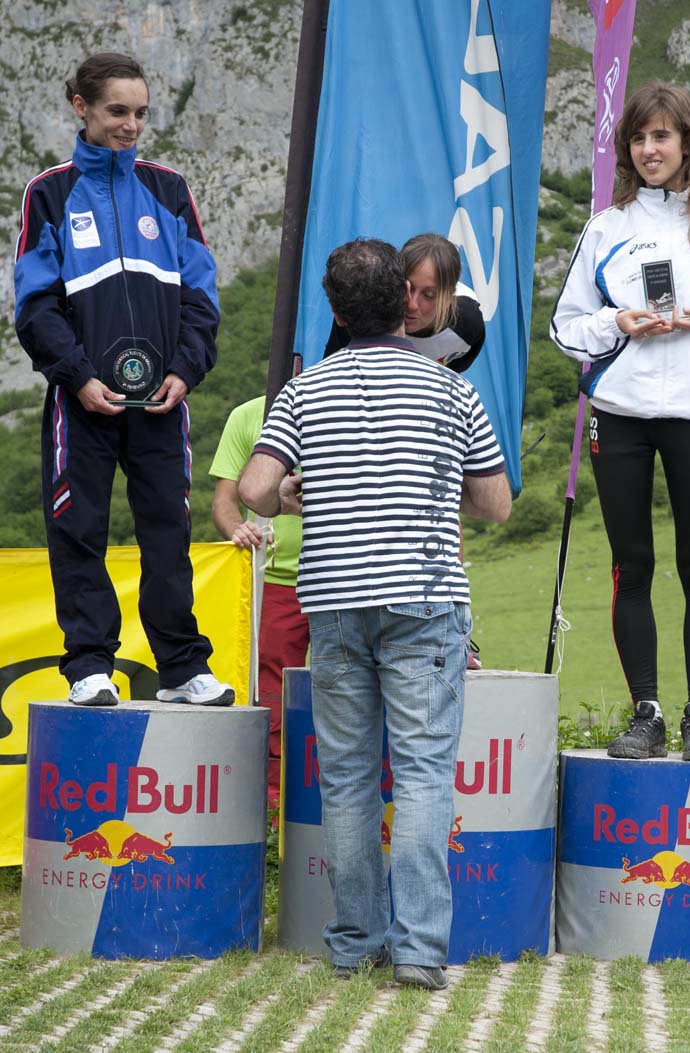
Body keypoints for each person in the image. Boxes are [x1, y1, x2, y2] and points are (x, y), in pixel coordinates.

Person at [239, 238, 511, 989]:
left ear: (335, 310)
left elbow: (256, 489)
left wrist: (294, 490)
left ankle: (356, 942)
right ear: (402, 301)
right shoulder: (450, 390)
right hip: (424, 599)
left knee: (348, 777)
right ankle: (419, 952)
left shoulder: (305, 390)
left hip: (332, 602)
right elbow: (495, 504)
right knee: (422, 774)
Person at [551, 82, 690, 762]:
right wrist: (615, 322)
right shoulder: (606, 227)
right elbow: (565, 327)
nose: (650, 150)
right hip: (620, 415)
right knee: (632, 566)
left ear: (686, 142)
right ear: (627, 148)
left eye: (662, 136)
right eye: (639, 138)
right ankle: (645, 714)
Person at [14, 52, 233, 708]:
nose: (130, 125)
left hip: (162, 400)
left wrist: (186, 369)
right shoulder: (49, 193)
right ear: (80, 107)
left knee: (167, 530)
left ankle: (181, 669)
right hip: (82, 401)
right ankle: (89, 665)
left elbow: (201, 295)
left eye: (140, 113)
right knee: (78, 528)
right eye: (117, 111)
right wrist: (78, 377)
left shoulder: (169, 190)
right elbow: (35, 305)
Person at [326, 232, 487, 667]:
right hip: (368, 415)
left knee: (441, 512)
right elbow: (334, 373)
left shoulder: (468, 325)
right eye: (408, 290)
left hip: (422, 414)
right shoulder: (372, 307)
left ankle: (456, 633)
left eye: (429, 295)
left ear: (448, 296)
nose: (413, 305)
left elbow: (452, 377)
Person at [209, 396, 308, 809]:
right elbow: (224, 502)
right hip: (275, 578)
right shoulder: (248, 414)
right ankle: (273, 803)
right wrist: (237, 528)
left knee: (352, 688)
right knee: (271, 691)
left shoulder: (355, 400)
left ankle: (333, 801)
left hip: (346, 576)